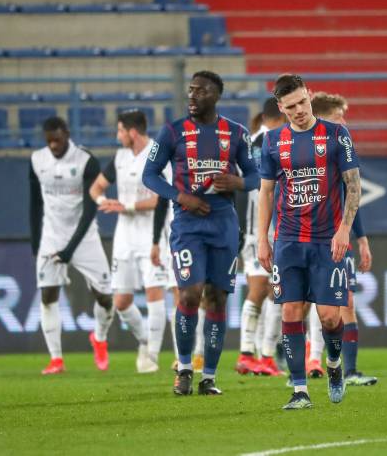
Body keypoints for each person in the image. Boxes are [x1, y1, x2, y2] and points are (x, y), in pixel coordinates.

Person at [142, 70, 259, 396]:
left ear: (216, 96)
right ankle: (183, 369)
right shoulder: (171, 132)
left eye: (201, 91)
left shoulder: (236, 133)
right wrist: (180, 197)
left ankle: (209, 376)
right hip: (187, 225)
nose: (193, 96)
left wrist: (236, 182)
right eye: (191, 90)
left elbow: (256, 175)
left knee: (217, 299)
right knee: (190, 294)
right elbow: (149, 176)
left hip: (224, 225)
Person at [256, 74, 362, 410]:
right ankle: (299, 389)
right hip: (287, 239)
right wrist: (262, 238)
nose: (299, 110)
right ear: (280, 107)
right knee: (290, 309)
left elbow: (353, 185)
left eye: (303, 102)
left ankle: (333, 365)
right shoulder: (272, 141)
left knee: (330, 316)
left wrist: (345, 229)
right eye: (291, 106)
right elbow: (266, 192)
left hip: (326, 241)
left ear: (309, 95)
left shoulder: (336, 134)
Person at [89, 109, 172, 373]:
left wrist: (125, 205)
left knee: (154, 293)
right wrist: (106, 203)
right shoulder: (120, 158)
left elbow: (159, 199)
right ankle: (145, 341)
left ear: (132, 132)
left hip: (152, 235)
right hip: (124, 237)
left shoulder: (157, 156)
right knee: (122, 302)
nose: (118, 136)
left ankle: (152, 357)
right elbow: (95, 188)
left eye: (121, 130)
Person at [29, 116, 114, 375]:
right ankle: (56, 360)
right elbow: (35, 204)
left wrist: (70, 249)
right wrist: (36, 244)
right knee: (48, 296)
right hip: (52, 238)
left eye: (57, 139)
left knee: (105, 297)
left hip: (84, 237)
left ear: (66, 133)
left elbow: (90, 210)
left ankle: (99, 338)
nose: (53, 145)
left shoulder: (86, 161)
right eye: (49, 141)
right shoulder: (37, 160)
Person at [310, 92, 376, 387]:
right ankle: (302, 366)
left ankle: (348, 371)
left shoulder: (342, 148)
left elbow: (352, 197)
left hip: (337, 238)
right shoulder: (300, 150)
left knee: (345, 300)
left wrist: (360, 239)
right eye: (339, 116)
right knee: (298, 304)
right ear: (323, 118)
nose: (344, 122)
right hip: (304, 236)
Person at [236, 97, 286, 376]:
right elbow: (252, 185)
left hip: (258, 227)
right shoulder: (267, 141)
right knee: (267, 292)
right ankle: (255, 354)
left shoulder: (254, 140)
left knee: (267, 292)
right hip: (263, 229)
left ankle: (255, 354)